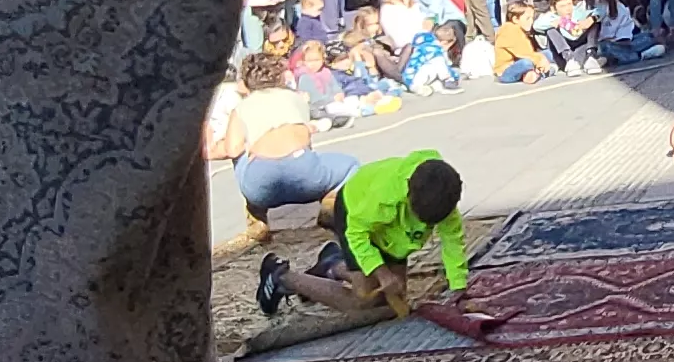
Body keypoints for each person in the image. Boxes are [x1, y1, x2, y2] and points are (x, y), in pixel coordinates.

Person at [272, 151, 493, 331]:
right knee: (362, 301)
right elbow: (356, 234)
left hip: (393, 234)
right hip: (354, 215)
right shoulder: (383, 197)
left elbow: (453, 245)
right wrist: (382, 273)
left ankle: (333, 265)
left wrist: (459, 291)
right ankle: (282, 277)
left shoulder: (443, 197)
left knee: (392, 301)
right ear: (408, 196)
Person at [209, 51, 353, 251]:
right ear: (281, 76)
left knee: (241, 152)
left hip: (260, 188)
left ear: (245, 83)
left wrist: (211, 150)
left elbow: (232, 149)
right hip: (306, 177)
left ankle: (257, 219)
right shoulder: (296, 99)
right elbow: (304, 138)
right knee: (350, 165)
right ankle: (330, 204)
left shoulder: (241, 108)